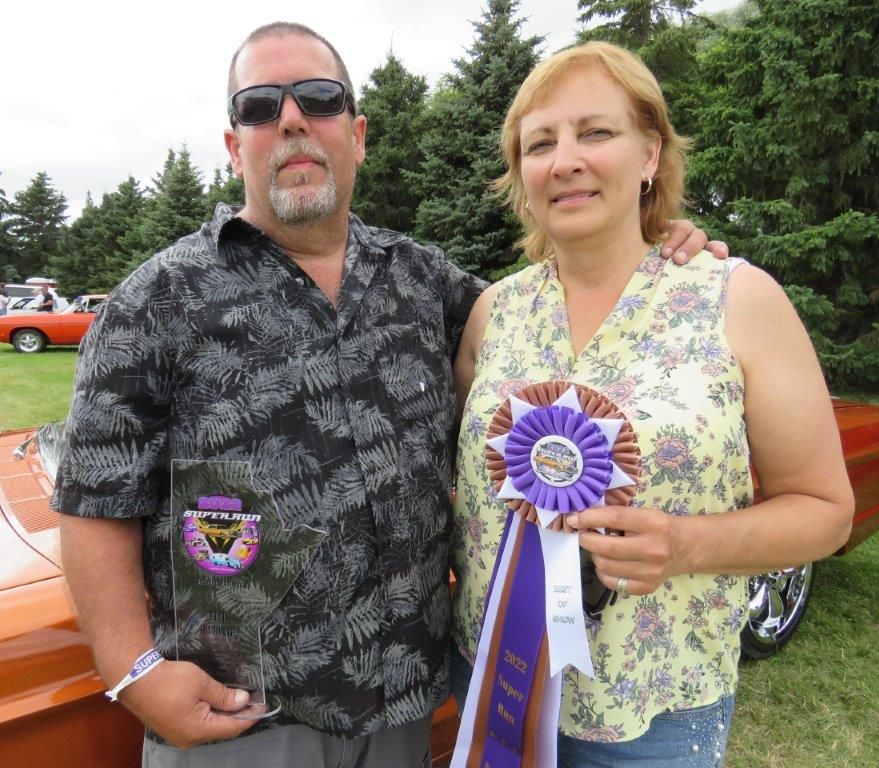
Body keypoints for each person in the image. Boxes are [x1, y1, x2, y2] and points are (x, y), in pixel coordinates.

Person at [52, 24, 722, 768]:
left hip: (402, 712)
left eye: (319, 98)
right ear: (235, 145)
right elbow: (92, 505)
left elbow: (558, 316)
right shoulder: (155, 301)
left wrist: (655, 246)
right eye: (259, 106)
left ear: (358, 134)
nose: (293, 119)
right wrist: (133, 671)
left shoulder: (426, 282)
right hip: (237, 720)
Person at [450, 41, 854, 767]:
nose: (565, 159)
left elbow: (826, 510)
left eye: (595, 133)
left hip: (655, 710)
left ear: (650, 155)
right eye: (539, 143)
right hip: (495, 690)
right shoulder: (492, 313)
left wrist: (685, 544)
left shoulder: (736, 299)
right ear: (522, 175)